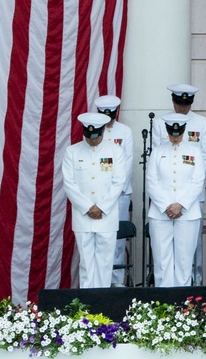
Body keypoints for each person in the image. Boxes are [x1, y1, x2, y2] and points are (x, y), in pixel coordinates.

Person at [61, 112, 125, 288]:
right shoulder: (72, 151)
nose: (92, 140)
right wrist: (88, 207)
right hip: (83, 215)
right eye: (89, 137)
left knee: (105, 263)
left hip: (106, 215)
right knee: (86, 264)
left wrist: (102, 207)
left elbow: (118, 182)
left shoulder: (115, 151)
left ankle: (103, 302)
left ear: (103, 131)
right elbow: (69, 184)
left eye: (96, 137)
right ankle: (87, 305)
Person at [145, 112, 206, 287]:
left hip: (187, 212)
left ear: (184, 131)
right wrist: (166, 206)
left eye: (178, 133)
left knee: (184, 260)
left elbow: (197, 181)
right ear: (167, 131)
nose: (175, 137)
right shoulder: (157, 151)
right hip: (160, 212)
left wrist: (181, 205)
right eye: (172, 133)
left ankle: (183, 302)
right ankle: (162, 303)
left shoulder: (194, 151)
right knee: (161, 261)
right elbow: (151, 181)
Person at [94, 93, 133, 286]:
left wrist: (113, 192)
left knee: (117, 239)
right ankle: (101, 280)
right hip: (98, 196)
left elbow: (127, 164)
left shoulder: (125, 132)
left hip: (119, 194)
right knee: (99, 237)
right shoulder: (93, 132)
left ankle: (117, 280)